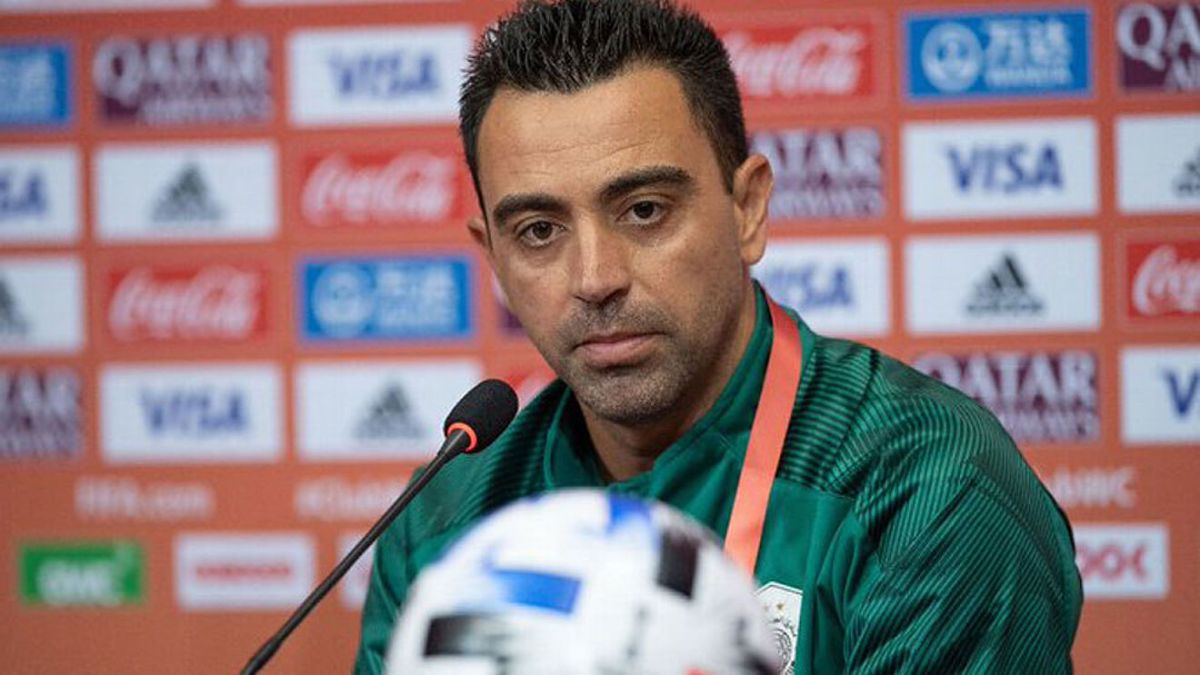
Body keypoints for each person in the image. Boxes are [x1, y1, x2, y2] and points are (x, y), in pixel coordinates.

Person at [355, 1, 1083, 673]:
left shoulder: (926, 489)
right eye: (539, 231)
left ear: (748, 209)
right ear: (492, 257)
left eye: (644, 210)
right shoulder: (443, 519)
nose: (596, 278)